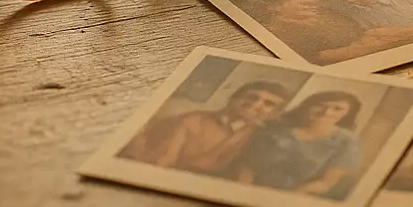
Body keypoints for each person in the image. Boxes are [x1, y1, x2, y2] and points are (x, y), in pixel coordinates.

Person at [119, 80, 290, 174]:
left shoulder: (260, 137)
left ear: (273, 114)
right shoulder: (191, 121)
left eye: (268, 104)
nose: (256, 105)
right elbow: (160, 163)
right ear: (233, 98)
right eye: (252, 97)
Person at [235, 90, 364, 197]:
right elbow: (248, 167)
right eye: (321, 105)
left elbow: (325, 183)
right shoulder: (277, 128)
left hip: (297, 196)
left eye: (337, 109)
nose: (326, 112)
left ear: (347, 114)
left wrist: (287, 200)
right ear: (307, 106)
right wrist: (242, 193)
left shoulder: (347, 142)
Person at [255, 0, 363, 64]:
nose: (310, 1)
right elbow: (317, 59)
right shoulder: (278, 34)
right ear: (274, 7)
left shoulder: (328, 19)